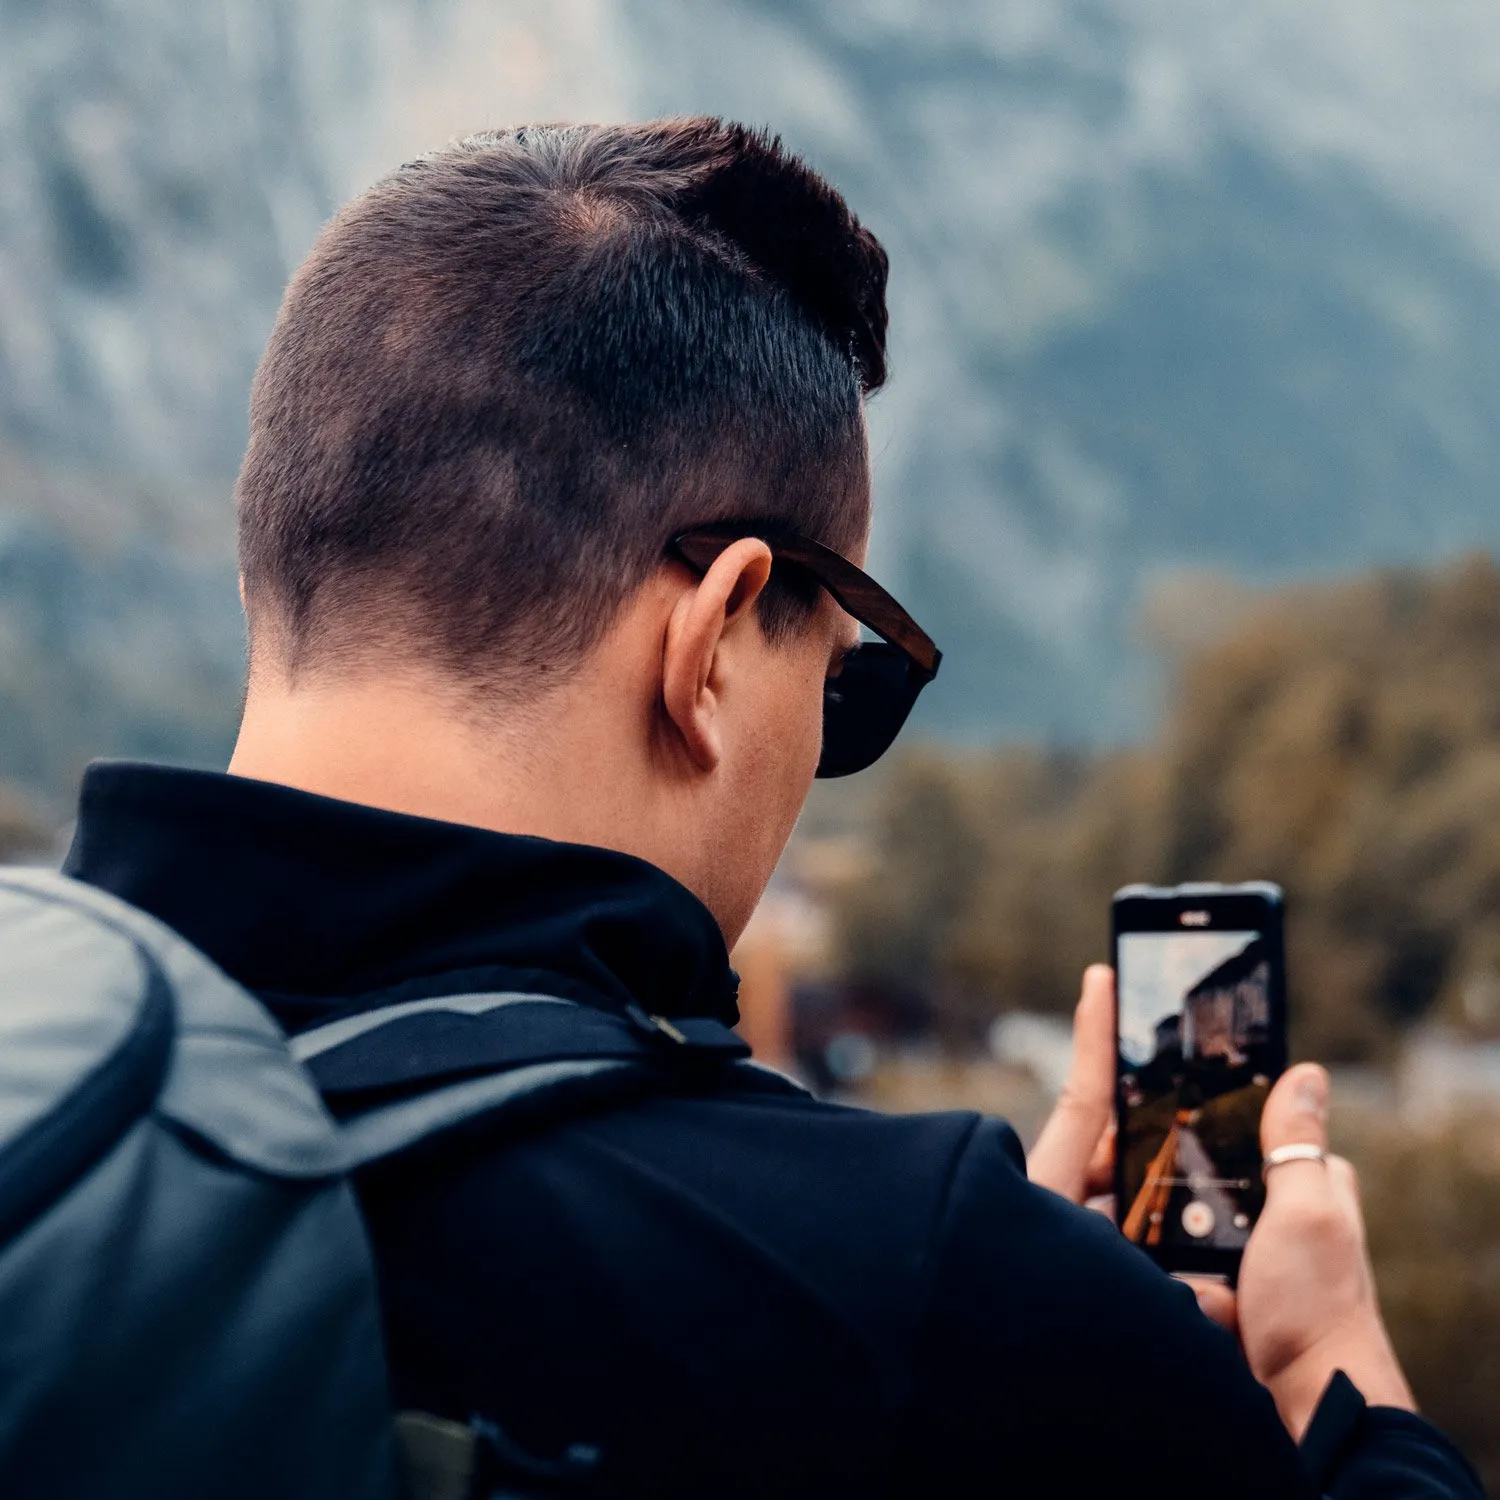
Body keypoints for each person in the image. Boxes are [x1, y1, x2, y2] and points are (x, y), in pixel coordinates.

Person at [64, 120, 1482, 1498]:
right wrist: (1324, 1362)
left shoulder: (48, 1118)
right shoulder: (936, 1293)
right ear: (720, 641)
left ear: (279, 573)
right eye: (844, 691)